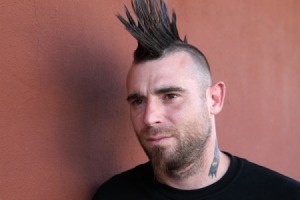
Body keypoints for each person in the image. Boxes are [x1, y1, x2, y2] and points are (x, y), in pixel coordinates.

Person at [92, 0, 300, 199]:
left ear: (214, 99)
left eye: (170, 96)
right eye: (138, 101)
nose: (149, 118)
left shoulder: (284, 195)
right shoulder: (113, 195)